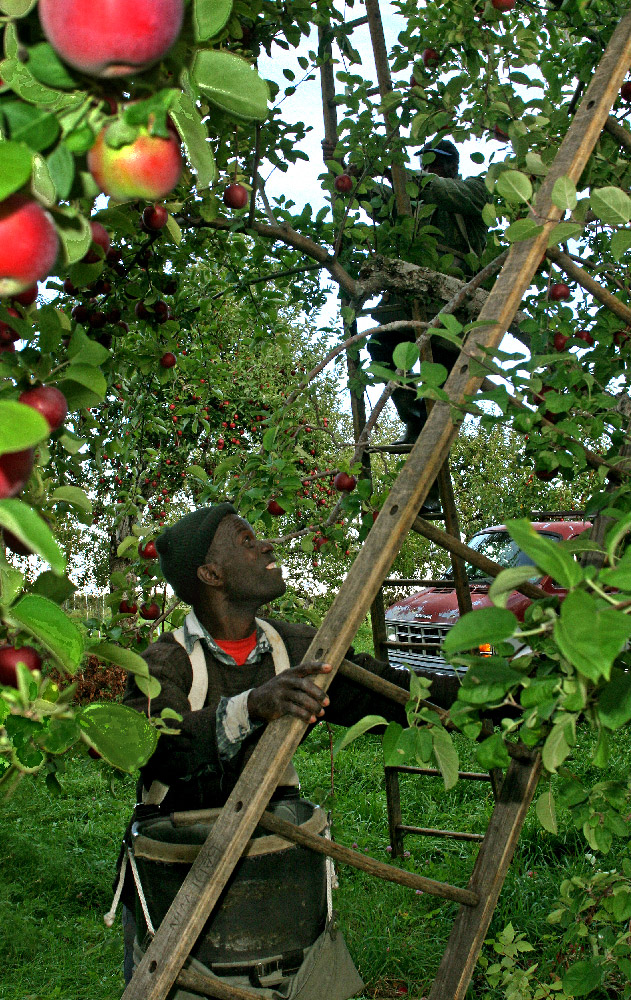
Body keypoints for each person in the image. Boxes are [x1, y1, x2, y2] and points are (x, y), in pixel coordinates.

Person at [115, 503, 459, 997]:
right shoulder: (163, 664)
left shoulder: (293, 646)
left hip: (275, 870)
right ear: (211, 574)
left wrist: (495, 703)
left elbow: (384, 690)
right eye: (246, 540)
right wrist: (252, 706)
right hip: (182, 874)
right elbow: (158, 750)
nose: (267, 545)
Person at [366, 139, 490, 449]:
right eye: (424, 162)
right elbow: (382, 201)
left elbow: (435, 188)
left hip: (451, 300)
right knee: (382, 347)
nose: (426, 168)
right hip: (408, 299)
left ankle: (430, 440)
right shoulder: (413, 201)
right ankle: (414, 420)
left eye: (434, 162)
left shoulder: (473, 191)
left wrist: (394, 173)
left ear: (453, 166)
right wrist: (351, 175)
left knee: (443, 375)